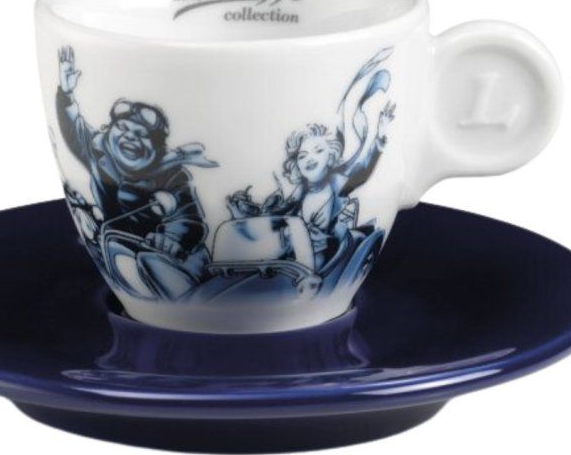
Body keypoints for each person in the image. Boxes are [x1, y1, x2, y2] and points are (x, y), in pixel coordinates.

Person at [54, 46, 217, 298]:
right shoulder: (99, 152)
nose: (130, 137)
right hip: (119, 248)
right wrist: (66, 94)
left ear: (157, 146)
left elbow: (188, 218)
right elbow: (73, 129)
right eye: (123, 128)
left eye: (141, 134)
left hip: (173, 258)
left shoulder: (172, 174)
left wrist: (171, 238)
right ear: (109, 130)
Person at [227, 50, 395, 271]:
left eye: (318, 151)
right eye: (302, 155)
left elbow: (363, 169)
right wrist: (242, 214)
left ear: (330, 156)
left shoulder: (335, 183)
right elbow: (274, 217)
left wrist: (380, 136)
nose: (309, 159)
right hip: (291, 253)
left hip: (322, 254)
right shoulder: (300, 190)